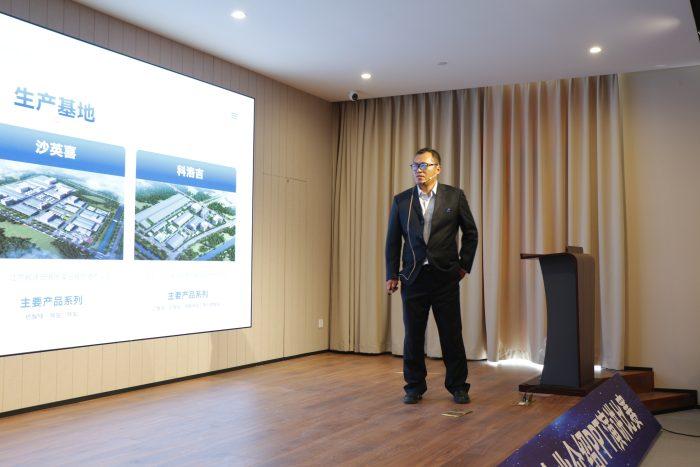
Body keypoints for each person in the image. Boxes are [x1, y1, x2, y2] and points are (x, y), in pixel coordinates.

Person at [385, 147, 478, 404]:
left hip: (445, 278)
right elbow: (393, 241)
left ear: (438, 168)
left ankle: (458, 386)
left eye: (424, 165)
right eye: (415, 166)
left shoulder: (454, 197)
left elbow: (471, 233)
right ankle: (414, 387)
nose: (419, 170)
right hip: (413, 277)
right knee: (413, 336)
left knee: (451, 334)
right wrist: (392, 274)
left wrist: (464, 265)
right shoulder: (402, 201)